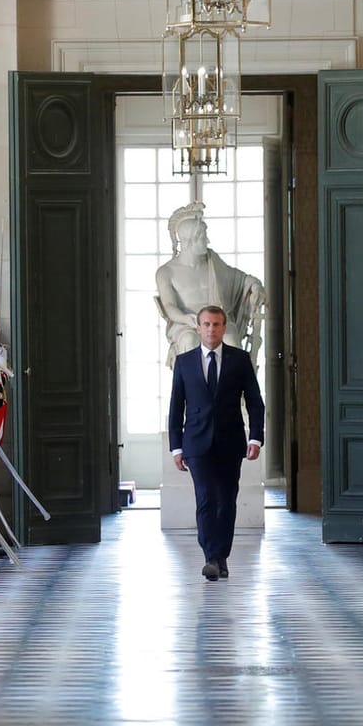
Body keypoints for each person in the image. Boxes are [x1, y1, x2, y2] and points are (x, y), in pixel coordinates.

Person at [168, 305, 264, 581]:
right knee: (206, 499)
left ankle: (221, 555)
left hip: (231, 441)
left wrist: (255, 437)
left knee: (227, 501)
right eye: (207, 324)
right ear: (198, 328)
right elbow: (177, 407)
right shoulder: (184, 362)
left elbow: (255, 403)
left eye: (217, 324)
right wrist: (176, 447)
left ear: (224, 328)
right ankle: (211, 557)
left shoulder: (240, 360)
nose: (212, 329)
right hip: (196, 443)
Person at [155, 202, 266, 368]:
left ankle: (231, 392)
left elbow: (241, 279)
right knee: (190, 341)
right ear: (188, 242)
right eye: (202, 237)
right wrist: (187, 318)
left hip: (217, 320)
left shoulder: (212, 260)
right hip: (187, 324)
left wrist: (255, 286)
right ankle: (195, 392)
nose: (207, 240)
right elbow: (169, 306)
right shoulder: (166, 272)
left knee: (231, 341)